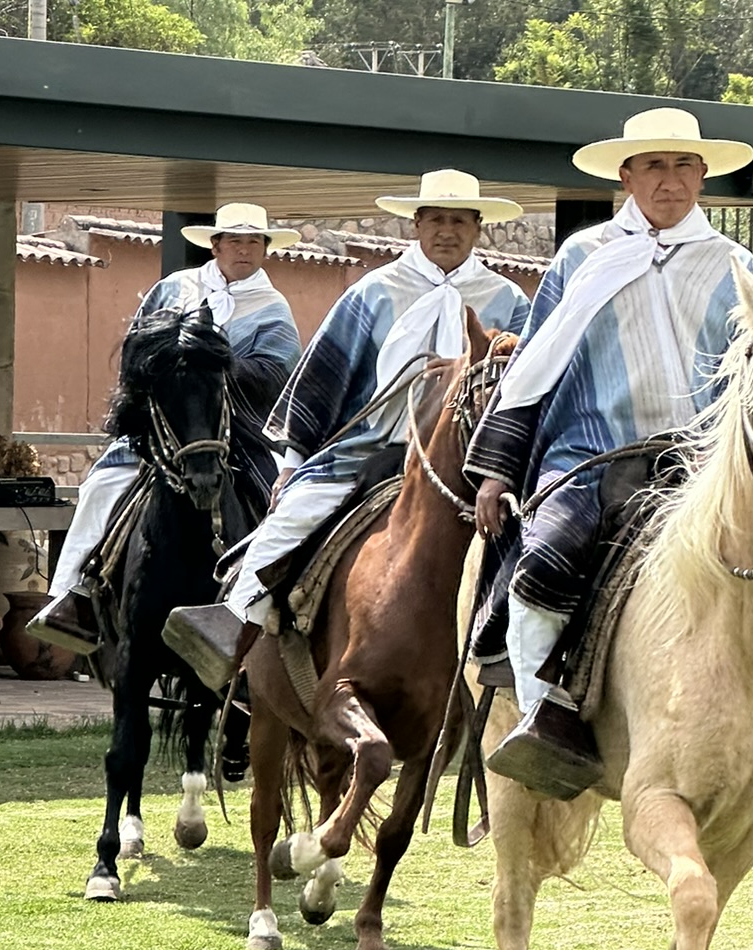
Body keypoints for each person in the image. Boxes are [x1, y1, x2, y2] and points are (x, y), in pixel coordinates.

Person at [467, 104, 753, 801]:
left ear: (703, 175)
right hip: (592, 454)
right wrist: (499, 468)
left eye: (684, 165)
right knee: (545, 561)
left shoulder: (733, 265)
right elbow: (533, 364)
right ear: (625, 176)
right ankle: (543, 720)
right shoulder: (582, 257)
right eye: (653, 165)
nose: (670, 179)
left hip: (700, 465)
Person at [165, 169, 531, 692]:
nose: (446, 231)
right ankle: (237, 621)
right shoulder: (374, 292)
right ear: (417, 225)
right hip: (372, 449)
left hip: (472, 458)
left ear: (477, 227)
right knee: (293, 516)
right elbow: (321, 376)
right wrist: (291, 465)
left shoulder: (510, 300)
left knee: (535, 538)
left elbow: (527, 382)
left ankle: (525, 661)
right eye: (435, 220)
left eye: (458, 221)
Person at [31, 202, 303, 653]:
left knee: (284, 498)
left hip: (237, 433)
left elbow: (279, 372)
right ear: (215, 245)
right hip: (166, 429)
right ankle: (72, 596)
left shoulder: (273, 307)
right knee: (100, 486)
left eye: (254, 241)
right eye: (235, 241)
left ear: (265, 249)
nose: (244, 249)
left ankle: (275, 605)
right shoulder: (174, 288)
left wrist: (216, 366)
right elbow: (136, 352)